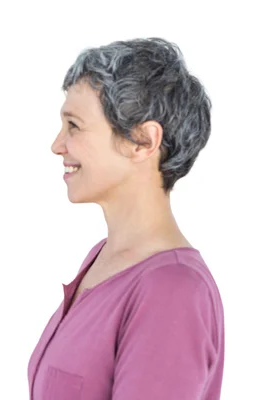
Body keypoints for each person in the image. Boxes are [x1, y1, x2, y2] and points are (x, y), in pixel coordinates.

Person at [28, 38, 224, 400]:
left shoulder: (172, 290)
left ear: (143, 141)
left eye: (74, 125)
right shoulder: (101, 258)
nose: (57, 144)